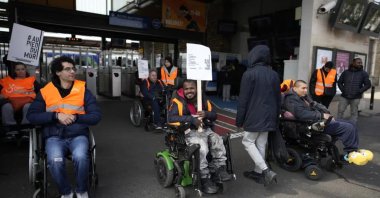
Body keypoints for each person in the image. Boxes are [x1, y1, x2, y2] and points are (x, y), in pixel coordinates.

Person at [27, 56, 102, 198]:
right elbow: (31, 116)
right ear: (57, 72)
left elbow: (96, 116)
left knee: (81, 157)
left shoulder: (83, 91)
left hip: (78, 135)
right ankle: (66, 192)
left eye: (73, 68)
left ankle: (81, 191)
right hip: (54, 136)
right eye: (67, 69)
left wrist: (76, 117)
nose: (72, 71)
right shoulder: (45, 91)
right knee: (55, 160)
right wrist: (55, 116)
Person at [168, 79, 232, 194]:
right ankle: (204, 177)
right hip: (188, 132)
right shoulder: (177, 100)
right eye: (186, 89)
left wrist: (206, 114)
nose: (189, 91)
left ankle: (219, 169)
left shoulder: (202, 98)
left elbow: (214, 115)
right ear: (183, 89)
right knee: (202, 147)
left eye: (192, 88)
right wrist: (191, 119)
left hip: (205, 129)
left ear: (196, 89)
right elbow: (171, 118)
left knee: (217, 140)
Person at [283, 80, 363, 162]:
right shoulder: (291, 99)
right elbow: (301, 114)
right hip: (308, 126)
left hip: (317, 121)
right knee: (348, 128)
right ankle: (351, 154)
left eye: (306, 88)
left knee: (351, 123)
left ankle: (353, 151)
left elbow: (315, 104)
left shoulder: (303, 96)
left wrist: (326, 112)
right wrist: (322, 115)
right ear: (295, 88)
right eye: (303, 88)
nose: (305, 90)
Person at [236, 45, 280, 186]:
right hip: (269, 116)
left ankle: (265, 170)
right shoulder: (274, 74)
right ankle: (258, 172)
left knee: (247, 142)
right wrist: (276, 117)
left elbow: (243, 100)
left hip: (254, 116)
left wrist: (239, 121)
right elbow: (278, 99)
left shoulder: (249, 74)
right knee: (261, 143)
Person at [0, 62, 40, 127]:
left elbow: (41, 91)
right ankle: (10, 129)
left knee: (28, 106)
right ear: (14, 71)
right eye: (18, 70)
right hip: (9, 101)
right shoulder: (6, 80)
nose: (20, 71)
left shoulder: (32, 80)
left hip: (28, 101)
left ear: (25, 70)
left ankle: (26, 128)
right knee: (6, 107)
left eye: (22, 69)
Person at [337, 58, 371, 123]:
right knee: (340, 111)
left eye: (361, 63)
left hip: (356, 97)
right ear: (353, 63)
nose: (360, 64)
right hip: (344, 96)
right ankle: (338, 125)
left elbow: (368, 84)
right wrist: (343, 90)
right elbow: (339, 82)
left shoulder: (363, 73)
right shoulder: (346, 72)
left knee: (354, 113)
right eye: (358, 62)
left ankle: (352, 126)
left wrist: (359, 91)